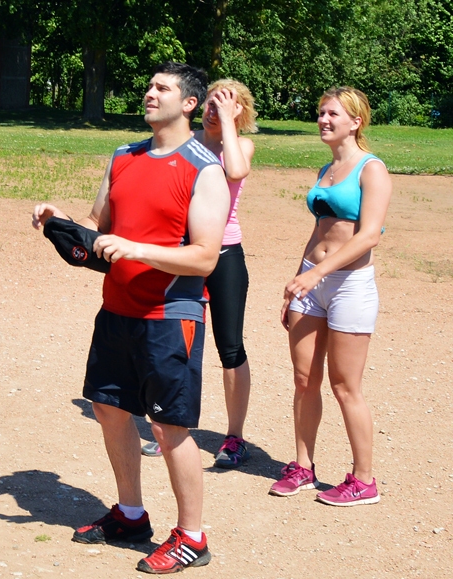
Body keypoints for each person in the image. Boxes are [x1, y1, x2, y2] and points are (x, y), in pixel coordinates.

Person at [33, 62, 230, 574]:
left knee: (169, 428)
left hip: (170, 315)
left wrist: (137, 249)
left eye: (161, 88)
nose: (149, 93)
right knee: (110, 409)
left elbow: (206, 257)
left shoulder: (204, 169)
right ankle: (131, 514)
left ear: (188, 104)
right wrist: (61, 224)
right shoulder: (123, 157)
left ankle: (192, 535)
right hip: (116, 310)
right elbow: (101, 231)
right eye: (148, 85)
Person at [269, 87, 391, 506]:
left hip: (349, 286)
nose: (323, 119)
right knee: (304, 381)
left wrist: (319, 272)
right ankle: (303, 466)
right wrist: (298, 279)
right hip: (310, 283)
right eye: (321, 113)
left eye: (332, 114)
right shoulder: (326, 169)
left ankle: (364, 480)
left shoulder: (371, 169)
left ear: (355, 122)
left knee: (345, 385)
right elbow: (320, 230)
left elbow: (369, 235)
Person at [142, 79, 257, 468]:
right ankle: (174, 428)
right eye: (211, 102)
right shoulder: (186, 145)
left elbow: (236, 172)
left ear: (240, 111)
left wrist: (227, 121)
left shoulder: (238, 146)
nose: (214, 108)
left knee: (229, 348)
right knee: (176, 341)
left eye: (225, 104)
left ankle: (234, 437)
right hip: (183, 254)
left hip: (224, 254)